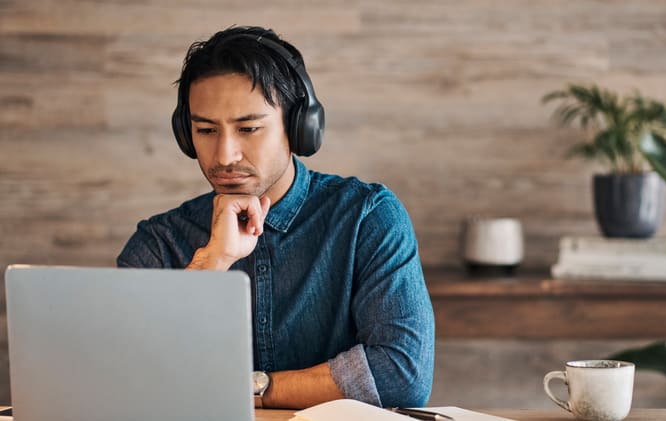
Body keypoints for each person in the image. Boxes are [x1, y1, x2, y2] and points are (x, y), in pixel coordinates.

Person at [117, 26, 434, 410]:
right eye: (205, 130)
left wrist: (252, 387)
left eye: (248, 128)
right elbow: (128, 378)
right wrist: (211, 262)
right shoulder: (158, 242)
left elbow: (402, 374)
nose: (225, 155)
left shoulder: (367, 218)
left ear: (300, 126)